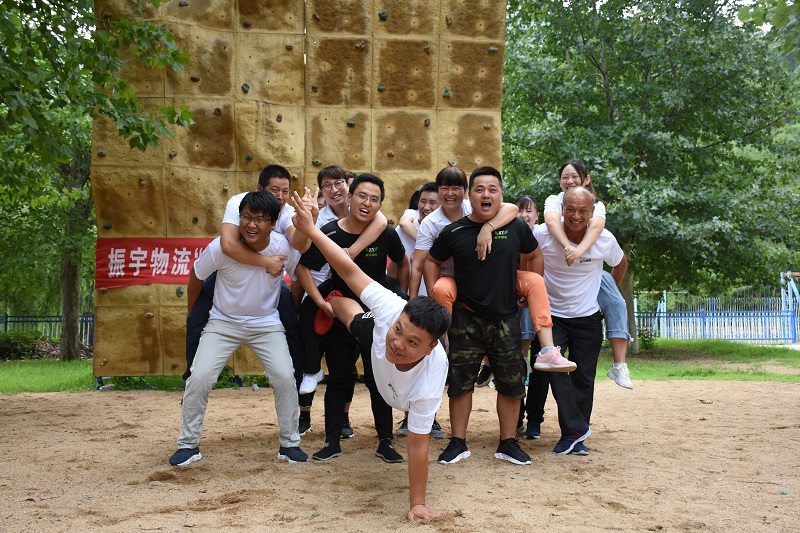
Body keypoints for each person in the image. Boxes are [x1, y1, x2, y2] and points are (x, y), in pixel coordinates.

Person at [290, 190, 451, 522]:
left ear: (430, 348)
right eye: (400, 331)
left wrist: (417, 503)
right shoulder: (392, 310)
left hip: (397, 386)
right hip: (374, 330)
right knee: (349, 313)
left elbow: (418, 444)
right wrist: (312, 230)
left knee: (372, 336)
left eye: (412, 342)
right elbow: (348, 269)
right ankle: (335, 301)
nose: (399, 344)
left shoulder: (431, 377)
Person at [169, 190, 307, 466]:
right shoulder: (220, 248)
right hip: (223, 323)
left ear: (273, 223)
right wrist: (193, 312)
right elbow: (197, 274)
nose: (251, 225)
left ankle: (289, 444)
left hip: (266, 324)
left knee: (284, 377)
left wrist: (294, 307)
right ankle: (188, 445)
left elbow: (299, 275)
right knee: (199, 377)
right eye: (246, 217)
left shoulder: (282, 247)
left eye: (259, 219)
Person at [426, 166, 542, 466]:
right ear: (470, 196)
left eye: (492, 189)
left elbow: (534, 255)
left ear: (501, 195)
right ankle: (458, 442)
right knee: (460, 382)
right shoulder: (453, 231)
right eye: (479, 189)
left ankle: (508, 442)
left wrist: (527, 288)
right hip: (465, 318)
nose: (486, 194)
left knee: (512, 382)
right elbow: (431, 261)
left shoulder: (516, 227)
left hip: (506, 318)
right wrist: (435, 294)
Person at [296, 173, 410, 463]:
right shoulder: (330, 233)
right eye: (362, 196)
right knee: (339, 379)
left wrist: (398, 294)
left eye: (374, 199)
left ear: (380, 205)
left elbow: (403, 262)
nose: (367, 203)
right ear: (349, 197)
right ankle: (332, 442)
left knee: (377, 380)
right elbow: (303, 268)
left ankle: (385, 442)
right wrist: (321, 303)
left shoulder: (386, 233)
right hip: (341, 317)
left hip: (378, 319)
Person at [183, 165, 309, 391]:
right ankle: (192, 381)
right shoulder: (239, 202)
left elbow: (299, 244)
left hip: (269, 280)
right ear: (259, 189)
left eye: (285, 191)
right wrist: (266, 262)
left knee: (291, 323)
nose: (280, 197)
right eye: (274, 190)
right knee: (195, 321)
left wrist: (310, 220)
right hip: (231, 273)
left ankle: (296, 385)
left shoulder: (286, 211)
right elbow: (228, 245)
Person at [529, 186, 628, 455]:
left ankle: (575, 437)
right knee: (555, 372)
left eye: (583, 210)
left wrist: (608, 289)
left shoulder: (604, 239)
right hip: (552, 319)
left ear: (592, 212)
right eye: (570, 209)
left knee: (584, 378)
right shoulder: (543, 235)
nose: (576, 215)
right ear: (561, 210)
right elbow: (525, 258)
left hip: (588, 318)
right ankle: (575, 428)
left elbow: (620, 263)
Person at [293, 165, 387, 436]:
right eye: (327, 185)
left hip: (359, 293)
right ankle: (306, 410)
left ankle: (349, 421)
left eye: (339, 183)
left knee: (350, 364)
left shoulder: (367, 212)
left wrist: (351, 252)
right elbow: (300, 253)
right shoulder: (321, 218)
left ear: (349, 187)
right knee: (315, 349)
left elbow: (382, 221)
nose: (334, 189)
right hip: (324, 289)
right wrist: (309, 221)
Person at [543, 160, 633, 389]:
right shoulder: (554, 201)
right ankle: (524, 359)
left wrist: (579, 251)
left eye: (575, 176)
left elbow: (596, 228)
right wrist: (568, 247)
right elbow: (552, 222)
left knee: (615, 301)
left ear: (586, 180)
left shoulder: (597, 205)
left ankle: (620, 364)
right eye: (565, 176)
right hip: (563, 278)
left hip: (591, 272)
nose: (570, 180)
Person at [393, 182, 445, 439]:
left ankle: (430, 419)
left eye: (433, 203)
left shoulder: (447, 227)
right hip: (410, 306)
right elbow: (396, 265)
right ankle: (408, 418)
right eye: (423, 201)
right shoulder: (407, 224)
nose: (426, 206)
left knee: (434, 365)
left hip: (439, 307)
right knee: (409, 362)